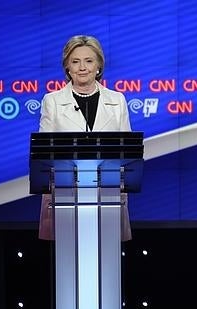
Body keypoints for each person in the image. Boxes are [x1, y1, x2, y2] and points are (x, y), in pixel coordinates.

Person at [38, 35, 132, 240]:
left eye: (89, 61)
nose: (82, 67)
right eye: (75, 61)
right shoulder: (52, 101)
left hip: (107, 193)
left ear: (98, 66)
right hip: (65, 194)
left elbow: (127, 151)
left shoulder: (117, 100)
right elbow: (45, 152)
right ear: (67, 68)